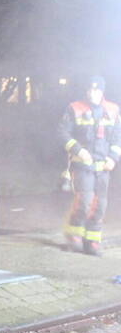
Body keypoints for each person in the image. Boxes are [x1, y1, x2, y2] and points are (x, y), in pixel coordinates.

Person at [59, 75, 121, 256]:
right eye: (89, 89)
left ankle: (92, 239)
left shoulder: (113, 110)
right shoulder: (74, 108)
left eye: (96, 90)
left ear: (102, 91)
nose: (92, 93)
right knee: (84, 202)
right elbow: (62, 132)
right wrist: (78, 150)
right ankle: (74, 234)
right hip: (82, 165)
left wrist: (113, 158)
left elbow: (118, 137)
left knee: (100, 204)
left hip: (103, 167)